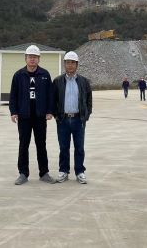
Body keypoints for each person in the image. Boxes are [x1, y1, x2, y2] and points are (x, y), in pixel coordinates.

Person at [9, 44, 56, 185]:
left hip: (40, 116)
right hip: (24, 116)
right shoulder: (18, 75)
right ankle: (23, 173)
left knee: (41, 144)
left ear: (39, 59)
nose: (32, 59)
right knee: (23, 145)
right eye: (30, 57)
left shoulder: (45, 75)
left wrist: (50, 111)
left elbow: (50, 95)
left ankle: (44, 173)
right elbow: (13, 95)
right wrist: (13, 112)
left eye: (35, 57)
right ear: (25, 58)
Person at [52, 51, 92, 184]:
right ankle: (63, 171)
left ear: (77, 65)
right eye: (68, 62)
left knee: (79, 147)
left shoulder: (84, 81)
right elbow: (53, 100)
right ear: (64, 64)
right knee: (64, 147)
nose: (70, 65)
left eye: (73, 63)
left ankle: (80, 172)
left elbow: (89, 100)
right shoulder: (57, 81)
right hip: (62, 120)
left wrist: (86, 115)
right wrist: (56, 115)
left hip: (78, 119)